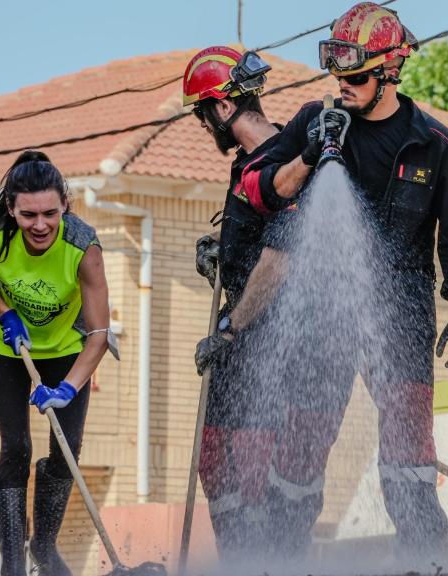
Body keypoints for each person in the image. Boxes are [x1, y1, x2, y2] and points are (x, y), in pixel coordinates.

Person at [238, 1, 448, 561]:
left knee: (407, 441)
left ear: (390, 71)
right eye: (337, 74)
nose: (342, 85)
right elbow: (257, 191)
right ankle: (278, 560)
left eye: (356, 76)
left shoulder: (434, 143)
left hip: (402, 302)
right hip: (324, 303)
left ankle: (426, 561)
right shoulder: (313, 122)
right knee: (303, 438)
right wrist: (305, 151)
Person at [0, 151, 111, 576]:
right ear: (11, 207)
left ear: (64, 204)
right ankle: (12, 565)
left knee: (67, 450)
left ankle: (43, 547)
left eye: (50, 212)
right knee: (17, 447)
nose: (41, 224)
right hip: (8, 348)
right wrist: (4, 313)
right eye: (28, 214)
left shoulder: (83, 246)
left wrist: (68, 388)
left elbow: (100, 335)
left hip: (69, 352)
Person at [182, 46, 296, 562]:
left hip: (267, 346)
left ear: (222, 108)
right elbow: (253, 251)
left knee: (249, 473)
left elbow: (279, 261)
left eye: (204, 116)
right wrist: (222, 255)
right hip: (241, 340)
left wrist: (228, 330)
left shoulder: (282, 162)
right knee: (215, 464)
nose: (205, 128)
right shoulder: (248, 165)